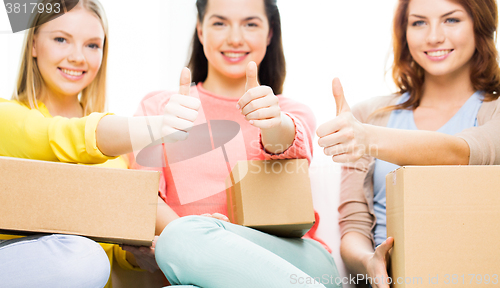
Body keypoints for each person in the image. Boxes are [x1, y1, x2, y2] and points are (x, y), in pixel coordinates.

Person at [129, 0, 341, 287]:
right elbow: (145, 199)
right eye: (219, 23)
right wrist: (205, 237)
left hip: (298, 262)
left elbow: (287, 139)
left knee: (178, 238)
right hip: (199, 263)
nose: (235, 38)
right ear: (200, 31)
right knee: (179, 245)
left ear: (269, 34)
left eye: (250, 24)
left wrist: (273, 122)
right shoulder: (159, 108)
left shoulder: (288, 111)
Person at [0, 0, 201, 286]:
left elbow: (109, 242)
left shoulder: (114, 153)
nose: (78, 57)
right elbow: (60, 137)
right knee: (85, 257)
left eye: (92, 45)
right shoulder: (7, 117)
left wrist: (138, 256)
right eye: (61, 40)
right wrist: (155, 126)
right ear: (33, 45)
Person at [316, 0, 500, 287]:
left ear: (480, 24)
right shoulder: (368, 117)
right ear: (404, 33)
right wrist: (369, 262)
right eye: (419, 22)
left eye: (451, 20)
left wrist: (367, 139)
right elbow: (354, 228)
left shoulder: (494, 110)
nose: (434, 36)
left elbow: (465, 152)